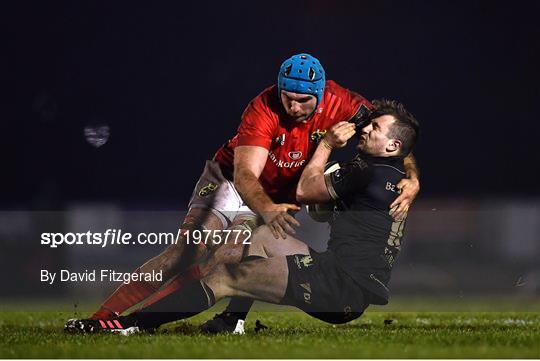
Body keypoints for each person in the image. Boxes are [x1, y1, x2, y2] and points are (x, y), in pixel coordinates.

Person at [82, 54, 420, 334]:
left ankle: (144, 324)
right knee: (188, 252)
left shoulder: (344, 106)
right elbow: (246, 175)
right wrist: (269, 209)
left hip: (310, 236)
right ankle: (105, 318)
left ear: (322, 94)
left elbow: (395, 134)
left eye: (305, 101)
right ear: (279, 89)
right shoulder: (262, 109)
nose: (295, 107)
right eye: (289, 97)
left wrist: (413, 175)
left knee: (229, 260)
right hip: (233, 180)